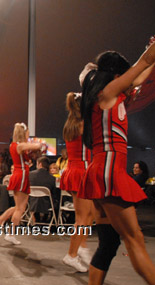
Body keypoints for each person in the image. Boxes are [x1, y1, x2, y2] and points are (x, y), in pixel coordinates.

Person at [77, 24, 155, 285]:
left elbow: (144, 71)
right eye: (124, 72)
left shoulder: (113, 98)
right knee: (136, 241)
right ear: (115, 74)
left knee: (109, 242)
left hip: (104, 174)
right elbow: (143, 63)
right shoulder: (108, 94)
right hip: (108, 175)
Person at [59, 92, 94, 273]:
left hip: (76, 170)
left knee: (89, 214)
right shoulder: (83, 125)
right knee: (82, 218)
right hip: (81, 171)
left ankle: (82, 246)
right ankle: (71, 254)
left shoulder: (70, 125)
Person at [5, 123, 44, 245]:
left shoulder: (16, 145)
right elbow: (39, 145)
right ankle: (10, 233)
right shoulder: (20, 145)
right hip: (21, 175)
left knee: (20, 207)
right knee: (20, 208)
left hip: (21, 174)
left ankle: (9, 231)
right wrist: (37, 144)